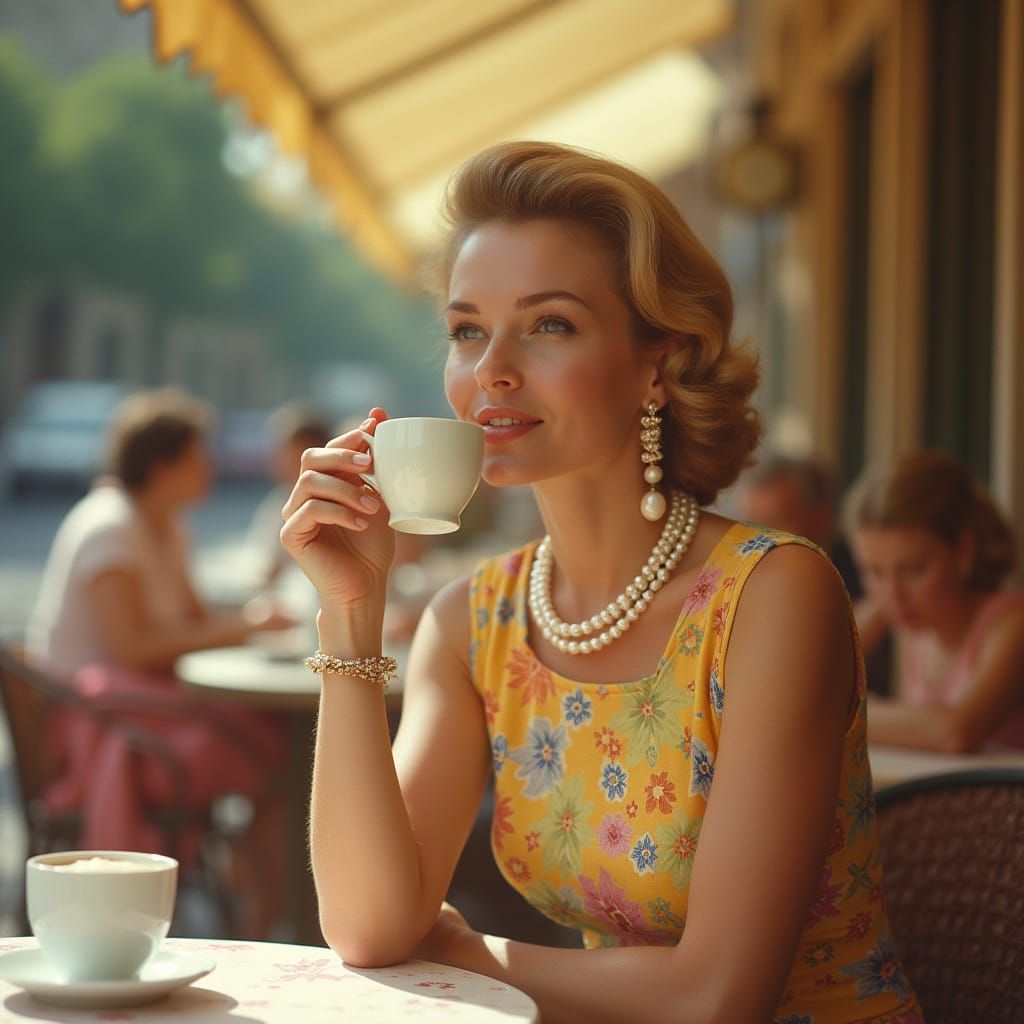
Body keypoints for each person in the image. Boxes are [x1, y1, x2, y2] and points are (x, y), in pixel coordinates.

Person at [281, 142, 922, 1023]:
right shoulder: (475, 621)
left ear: (657, 363)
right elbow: (369, 927)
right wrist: (348, 615)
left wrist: (472, 953)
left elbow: (717, 997)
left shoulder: (774, 598)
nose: (491, 369)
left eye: (549, 324)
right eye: (468, 329)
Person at [26, 387, 292, 936]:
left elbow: (197, 626)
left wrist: (254, 623)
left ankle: (265, 906)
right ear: (163, 466)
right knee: (275, 750)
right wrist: (248, 623)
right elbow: (134, 649)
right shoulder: (110, 528)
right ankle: (264, 913)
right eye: (200, 456)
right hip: (96, 725)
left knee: (278, 742)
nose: (211, 467)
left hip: (141, 710)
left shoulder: (169, 527)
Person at [847, 450, 1023, 752]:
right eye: (873, 571)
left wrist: (843, 710)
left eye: (914, 570)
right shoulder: (913, 625)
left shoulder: (1012, 623)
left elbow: (954, 733)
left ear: (964, 550)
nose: (893, 593)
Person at [736, 453, 893, 694]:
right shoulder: (739, 583)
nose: (760, 539)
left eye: (777, 521)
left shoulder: (869, 572)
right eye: (750, 523)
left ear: (821, 517)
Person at [245, 402, 332, 596]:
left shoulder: (347, 502)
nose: (280, 461)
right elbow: (267, 572)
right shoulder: (280, 503)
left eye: (292, 455)